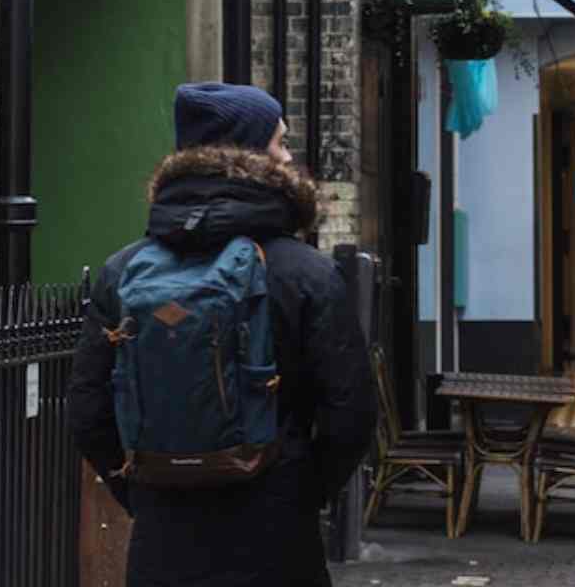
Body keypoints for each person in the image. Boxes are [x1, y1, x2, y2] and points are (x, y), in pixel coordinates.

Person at [67, 82, 377, 587]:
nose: (290, 154)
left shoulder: (123, 271)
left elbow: (86, 409)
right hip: (276, 534)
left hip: (164, 534)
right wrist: (300, 489)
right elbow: (352, 412)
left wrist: (146, 489)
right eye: (281, 141)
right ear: (250, 150)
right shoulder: (305, 272)